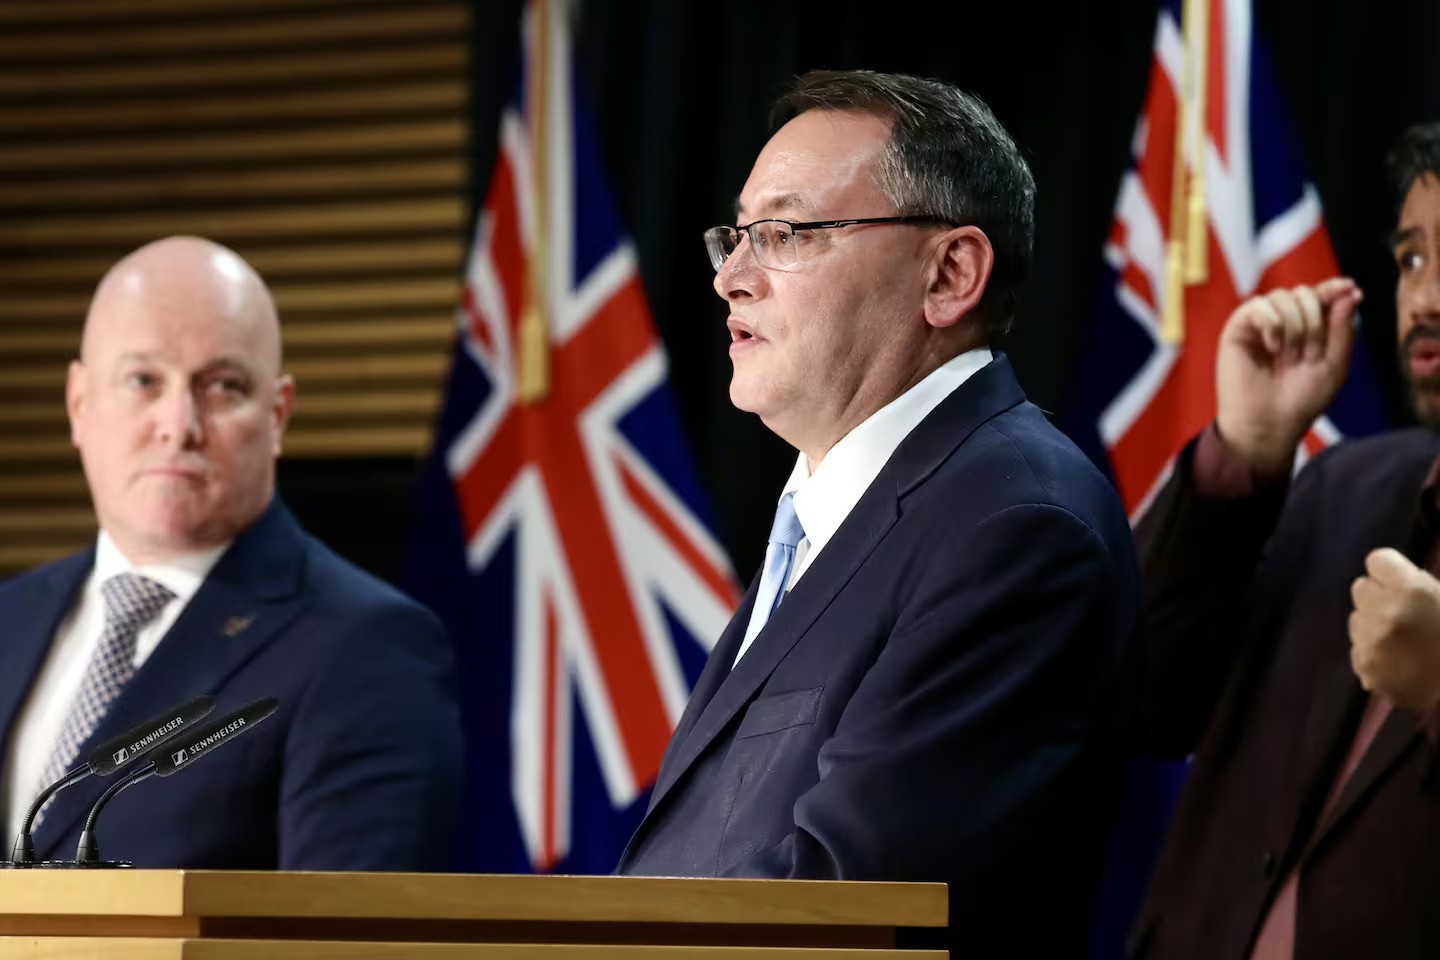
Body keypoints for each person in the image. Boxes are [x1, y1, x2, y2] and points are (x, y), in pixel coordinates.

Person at [614, 70, 1143, 953]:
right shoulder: (842, 509)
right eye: (736, 236)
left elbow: (847, 897)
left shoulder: (1013, 526)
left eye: (786, 232)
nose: (732, 279)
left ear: (951, 273)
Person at [0, 236, 462, 870]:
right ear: (79, 404)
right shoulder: (10, 618)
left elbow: (341, 939)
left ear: (277, 415)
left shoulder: (370, 648)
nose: (178, 423)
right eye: (143, 380)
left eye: (222, 387)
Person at [1130, 123, 1440, 960]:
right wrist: (1246, 455)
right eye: (1412, 258)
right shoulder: (1345, 486)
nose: (1425, 299)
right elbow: (1148, 701)